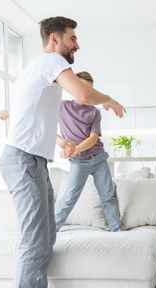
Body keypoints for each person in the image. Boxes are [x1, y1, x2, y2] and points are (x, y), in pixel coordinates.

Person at [0, 16, 126, 288]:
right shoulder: (50, 61)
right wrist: (107, 98)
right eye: (72, 38)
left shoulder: (40, 70)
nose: (77, 44)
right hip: (21, 160)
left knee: (47, 234)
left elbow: (31, 114)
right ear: (55, 40)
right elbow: (83, 94)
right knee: (33, 238)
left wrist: (58, 141)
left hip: (35, 160)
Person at [55, 71, 122, 232]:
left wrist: (74, 150)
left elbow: (93, 139)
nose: (86, 93)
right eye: (82, 88)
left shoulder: (94, 112)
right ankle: (51, 230)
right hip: (79, 162)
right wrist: (62, 143)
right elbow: (46, 127)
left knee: (108, 196)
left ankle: (117, 229)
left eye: (90, 90)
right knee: (69, 198)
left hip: (98, 159)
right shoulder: (61, 107)